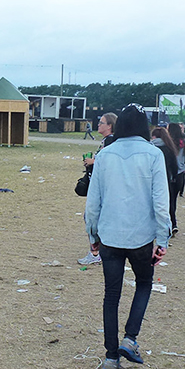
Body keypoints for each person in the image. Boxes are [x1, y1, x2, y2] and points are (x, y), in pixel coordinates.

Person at [86, 106, 170, 369]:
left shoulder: (105, 155)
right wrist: (163, 237)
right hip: (141, 237)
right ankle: (130, 338)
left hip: (110, 235)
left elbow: (93, 202)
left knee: (111, 295)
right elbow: (161, 202)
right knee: (144, 283)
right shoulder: (153, 154)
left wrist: (93, 234)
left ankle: (111, 357)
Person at [78, 113, 116, 266]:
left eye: (102, 122)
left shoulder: (112, 141)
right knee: (94, 218)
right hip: (102, 185)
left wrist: (92, 161)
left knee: (91, 218)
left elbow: (109, 161)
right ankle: (99, 251)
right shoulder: (107, 141)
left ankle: (96, 252)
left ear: (110, 126)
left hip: (103, 188)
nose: (98, 125)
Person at [150, 127, 179, 234]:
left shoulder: (151, 148)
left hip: (152, 179)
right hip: (167, 179)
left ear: (154, 136)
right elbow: (174, 166)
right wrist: (175, 177)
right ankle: (172, 223)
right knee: (168, 203)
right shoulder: (169, 148)